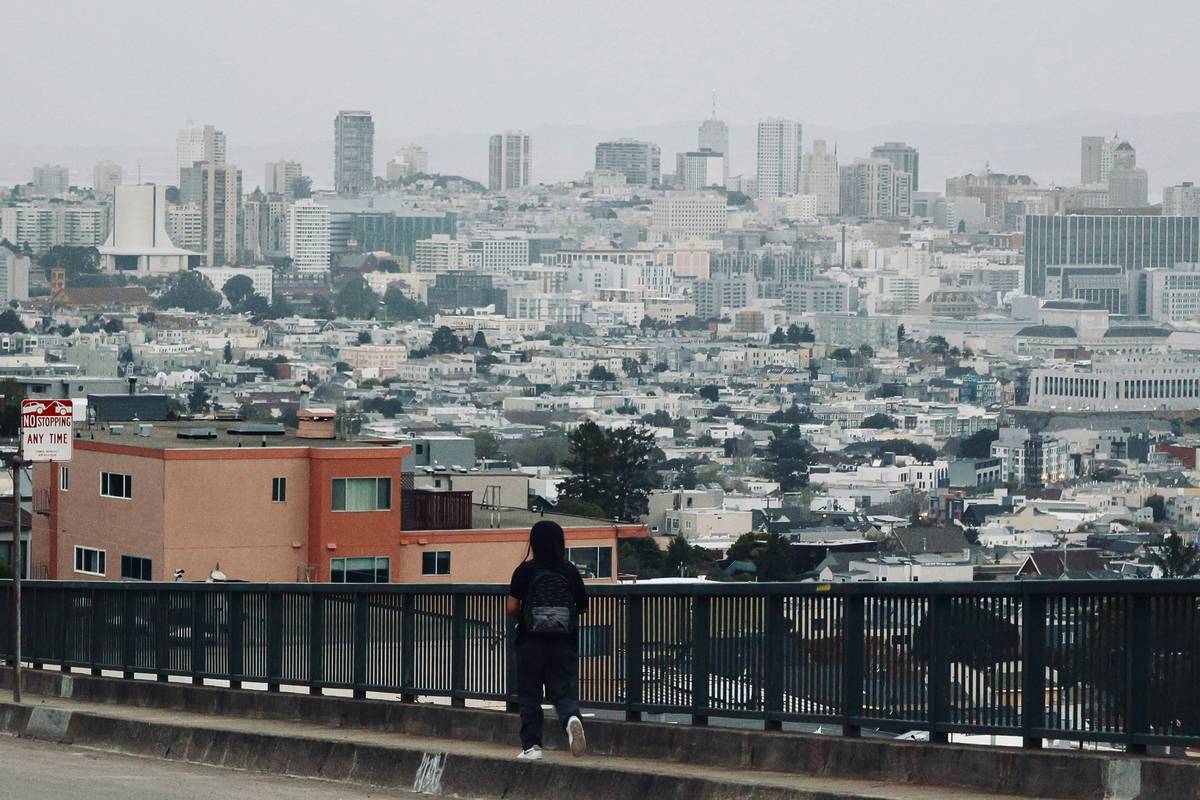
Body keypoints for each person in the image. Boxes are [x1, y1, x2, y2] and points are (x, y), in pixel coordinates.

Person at [507, 520, 588, 760]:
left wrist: (526, 615)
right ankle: (571, 718)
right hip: (563, 642)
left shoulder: (524, 570)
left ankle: (532, 747)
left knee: (530, 694)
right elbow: (583, 606)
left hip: (530, 641)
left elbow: (512, 606)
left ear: (533, 543)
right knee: (563, 691)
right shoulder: (569, 570)